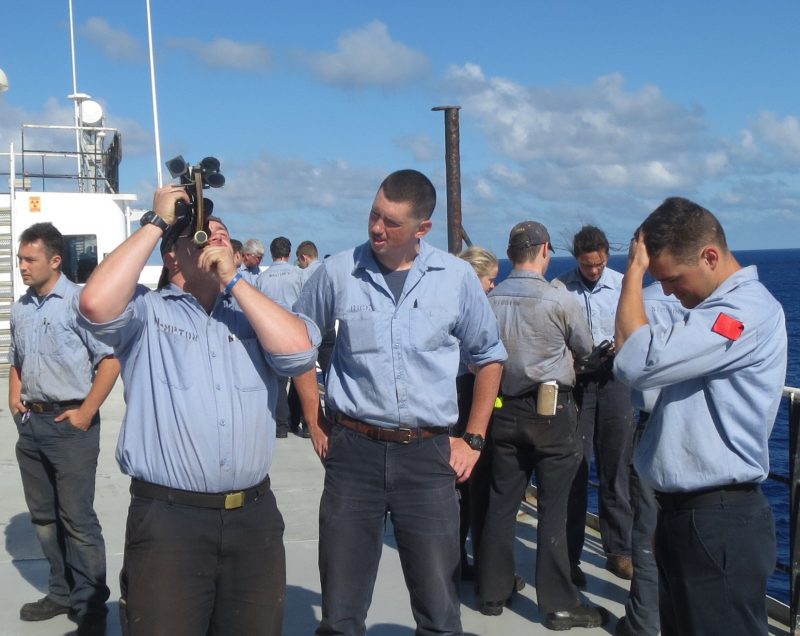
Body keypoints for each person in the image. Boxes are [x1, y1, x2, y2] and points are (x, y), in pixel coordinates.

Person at [77, 187, 320, 636]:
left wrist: (235, 282)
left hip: (252, 519)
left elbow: (300, 352)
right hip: (170, 521)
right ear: (172, 256)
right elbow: (94, 304)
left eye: (224, 233)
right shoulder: (146, 312)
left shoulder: (251, 312)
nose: (218, 238)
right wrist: (157, 222)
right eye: (205, 233)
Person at [293, 169, 506, 636]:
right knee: (340, 612)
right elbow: (297, 344)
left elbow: (490, 357)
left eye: (391, 222)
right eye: (374, 214)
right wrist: (314, 419)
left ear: (422, 228)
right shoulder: (338, 272)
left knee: (439, 610)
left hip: (428, 458)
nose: (376, 228)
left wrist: (473, 439)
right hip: (354, 455)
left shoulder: (455, 278)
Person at [614, 197, 787, 636]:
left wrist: (633, 273)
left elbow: (633, 361)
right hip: (686, 515)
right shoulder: (707, 314)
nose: (669, 292)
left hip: (718, 519)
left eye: (672, 279)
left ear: (709, 257)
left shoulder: (741, 314)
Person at [478, 221, 608, 631]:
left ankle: (492, 591)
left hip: (503, 409)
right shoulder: (558, 298)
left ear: (511, 253)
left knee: (502, 502)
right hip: (551, 412)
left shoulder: (491, 298)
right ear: (546, 250)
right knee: (555, 508)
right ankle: (559, 605)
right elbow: (585, 349)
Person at [9, 222, 120, 635]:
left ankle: (90, 605)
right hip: (31, 425)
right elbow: (16, 358)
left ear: (55, 260)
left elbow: (110, 360)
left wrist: (87, 412)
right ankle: (60, 591)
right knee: (44, 517)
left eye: (29, 259)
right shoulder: (21, 308)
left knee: (77, 519)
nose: (22, 266)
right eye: (19, 259)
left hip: (70, 426)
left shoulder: (80, 303)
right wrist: (15, 395)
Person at [557, 225, 635, 582]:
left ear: (607, 257)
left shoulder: (622, 286)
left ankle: (619, 550)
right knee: (575, 467)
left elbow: (636, 328)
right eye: (587, 265)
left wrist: (622, 346)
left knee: (616, 468)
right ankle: (569, 555)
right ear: (577, 260)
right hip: (578, 383)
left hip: (615, 380)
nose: (594, 271)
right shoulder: (560, 289)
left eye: (600, 264)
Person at [615, 282, 686, 636]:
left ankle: (643, 622)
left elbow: (624, 360)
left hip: (652, 421)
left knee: (647, 529)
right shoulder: (707, 304)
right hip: (693, 423)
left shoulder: (641, 301)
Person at [455, 246, 498, 578]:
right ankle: (476, 562)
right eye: (490, 279)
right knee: (474, 482)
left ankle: (456, 557)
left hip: (449, 396)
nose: (493, 286)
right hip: (467, 392)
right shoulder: (472, 310)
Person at [257, 236, 305, 438]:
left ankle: (281, 426)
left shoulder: (262, 278)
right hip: (295, 326)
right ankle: (303, 422)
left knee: (277, 381)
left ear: (272, 253)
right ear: (289, 253)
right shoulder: (298, 274)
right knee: (301, 377)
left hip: (272, 330)